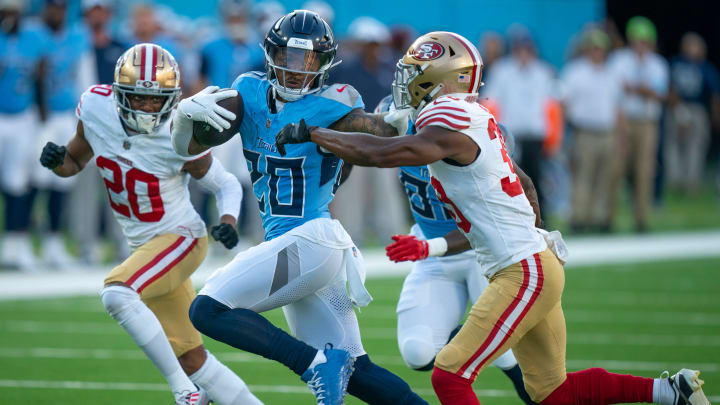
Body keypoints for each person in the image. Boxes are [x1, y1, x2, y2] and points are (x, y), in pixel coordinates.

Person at [275, 30, 710, 405]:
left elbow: (388, 153)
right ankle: (671, 392)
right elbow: (526, 184)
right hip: (533, 263)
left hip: (522, 269)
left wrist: (315, 134)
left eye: (413, 73)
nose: (405, 80)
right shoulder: (474, 115)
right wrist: (530, 237)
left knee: (449, 373)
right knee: (552, 393)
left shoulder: (447, 118)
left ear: (438, 79)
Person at [171, 10, 426, 405]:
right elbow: (187, 149)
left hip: (313, 239)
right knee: (359, 373)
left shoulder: (334, 102)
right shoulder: (249, 92)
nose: (296, 70)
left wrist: (393, 121)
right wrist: (186, 117)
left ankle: (311, 364)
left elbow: (376, 132)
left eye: (308, 60)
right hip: (300, 251)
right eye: (289, 57)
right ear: (271, 54)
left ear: (325, 64)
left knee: (207, 310)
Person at [38, 43, 260, 405]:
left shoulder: (179, 129)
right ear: (118, 93)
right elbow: (74, 163)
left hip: (181, 238)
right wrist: (56, 161)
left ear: (171, 99)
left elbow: (226, 182)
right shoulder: (95, 106)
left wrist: (228, 220)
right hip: (146, 247)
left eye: (156, 100)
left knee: (117, 293)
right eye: (138, 97)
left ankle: (186, 393)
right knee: (193, 358)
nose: (146, 106)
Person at [375, 94, 536, 405]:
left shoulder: (470, 133)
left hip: (485, 254)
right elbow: (365, 146)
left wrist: (428, 247)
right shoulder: (399, 123)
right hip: (433, 254)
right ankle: (476, 332)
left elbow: (484, 224)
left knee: (506, 354)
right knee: (417, 351)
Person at [28, 0, 96, 267]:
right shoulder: (32, 34)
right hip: (35, 116)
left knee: (62, 179)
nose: (57, 12)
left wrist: (84, 115)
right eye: (52, 6)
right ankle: (21, 240)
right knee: (34, 180)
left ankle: (54, 242)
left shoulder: (78, 36)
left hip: (66, 114)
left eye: (61, 7)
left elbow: (85, 79)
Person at [482, 25, 555, 214]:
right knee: (512, 178)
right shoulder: (502, 70)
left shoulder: (543, 72)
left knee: (537, 178)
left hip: (535, 134)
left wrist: (553, 136)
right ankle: (516, 216)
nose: (523, 53)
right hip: (511, 134)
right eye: (520, 49)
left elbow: (552, 105)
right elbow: (491, 101)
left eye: (527, 48)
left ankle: (540, 216)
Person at [559, 27, 624, 233]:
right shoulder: (575, 71)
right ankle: (579, 217)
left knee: (606, 176)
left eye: (601, 48)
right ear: (587, 49)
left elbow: (617, 106)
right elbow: (563, 102)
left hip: (607, 131)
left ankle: (601, 219)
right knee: (583, 175)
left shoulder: (611, 73)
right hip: (584, 131)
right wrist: (564, 131)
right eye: (594, 48)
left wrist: (622, 136)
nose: (597, 52)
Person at [608, 16, 668, 232]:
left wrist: (635, 89)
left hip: (647, 122)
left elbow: (658, 94)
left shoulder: (658, 64)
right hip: (624, 120)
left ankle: (642, 218)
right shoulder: (620, 60)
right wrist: (643, 90)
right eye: (637, 40)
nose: (641, 45)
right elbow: (615, 91)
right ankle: (608, 218)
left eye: (645, 41)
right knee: (616, 168)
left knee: (645, 170)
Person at [0, 0, 47, 270]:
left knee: (18, 183)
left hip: (22, 117)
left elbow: (40, 76)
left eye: (14, 12)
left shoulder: (34, 38)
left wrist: (42, 114)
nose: (11, 17)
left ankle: (15, 245)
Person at [665, 32, 720, 194]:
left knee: (695, 147)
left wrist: (716, 117)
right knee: (672, 145)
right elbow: (668, 87)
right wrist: (679, 111)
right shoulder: (675, 64)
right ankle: (674, 181)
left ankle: (691, 183)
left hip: (698, 110)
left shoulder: (706, 68)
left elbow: (715, 96)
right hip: (676, 107)